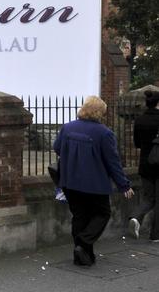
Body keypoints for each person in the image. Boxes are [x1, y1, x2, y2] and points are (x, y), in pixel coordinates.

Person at [53, 95, 134, 266]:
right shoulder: (104, 133)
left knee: (80, 216)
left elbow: (57, 148)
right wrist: (123, 184)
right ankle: (83, 243)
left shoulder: (67, 128)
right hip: (94, 184)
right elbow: (113, 162)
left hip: (69, 181)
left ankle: (82, 256)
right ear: (99, 113)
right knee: (102, 214)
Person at [129, 89, 159, 241]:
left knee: (148, 197)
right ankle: (155, 235)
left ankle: (136, 216)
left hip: (146, 163)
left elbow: (137, 143)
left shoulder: (140, 119)